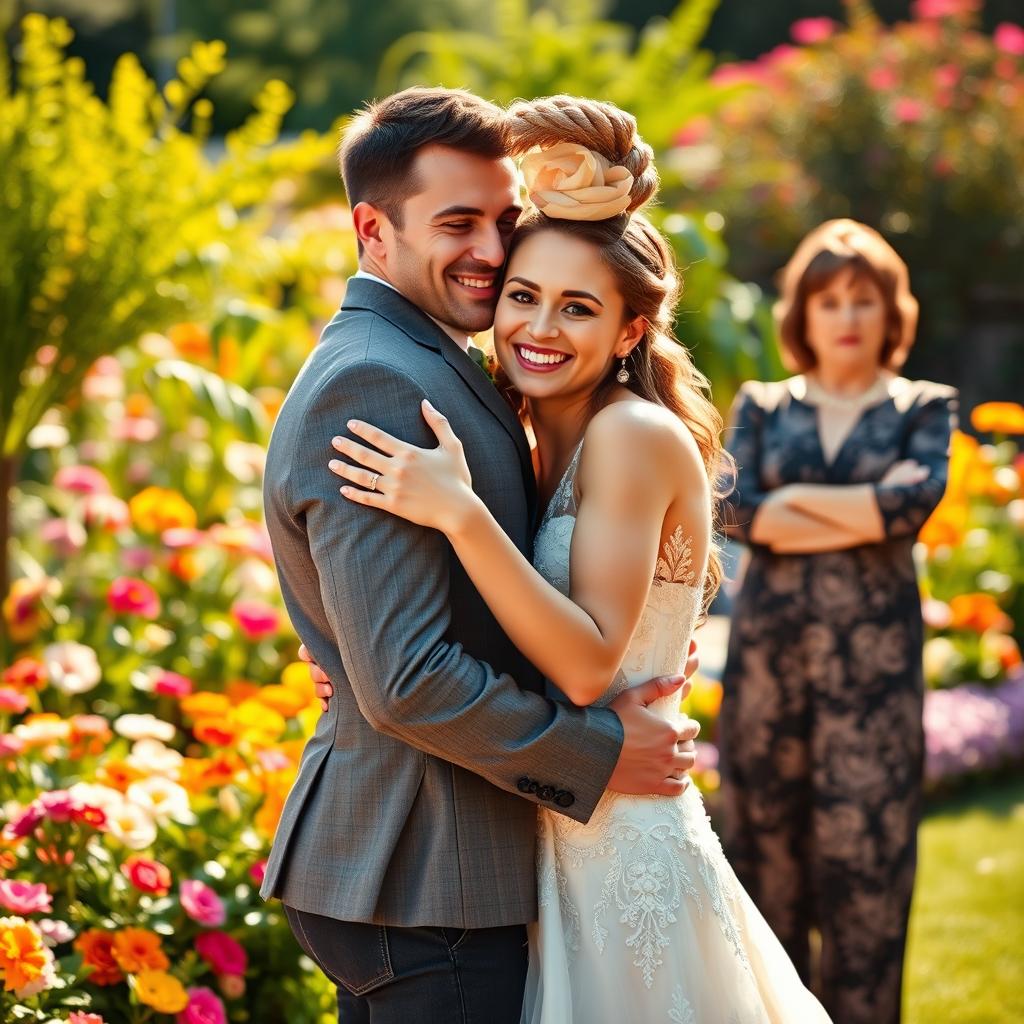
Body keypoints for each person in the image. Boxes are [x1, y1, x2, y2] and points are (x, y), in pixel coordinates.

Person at [327, 95, 830, 1024]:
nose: (538, 328)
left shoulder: (630, 435)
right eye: (524, 295)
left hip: (619, 839)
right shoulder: (530, 434)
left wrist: (461, 516)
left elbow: (592, 659)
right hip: (551, 825)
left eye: (578, 307)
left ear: (631, 331)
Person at [258, 86, 703, 1024]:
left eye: (505, 220)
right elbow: (408, 679)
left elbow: (434, 621)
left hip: (464, 865)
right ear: (373, 231)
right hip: (428, 872)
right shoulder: (382, 378)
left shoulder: (447, 363)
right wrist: (600, 754)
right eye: (458, 223)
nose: (494, 254)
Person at [718, 219, 957, 1024]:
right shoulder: (760, 404)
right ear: (803, 314)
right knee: (767, 881)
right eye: (829, 301)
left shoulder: (925, 406)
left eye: (864, 300)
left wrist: (792, 506)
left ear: (892, 312)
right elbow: (737, 510)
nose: (847, 316)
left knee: (868, 892)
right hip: (767, 680)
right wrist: (859, 508)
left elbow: (910, 505)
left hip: (875, 691)